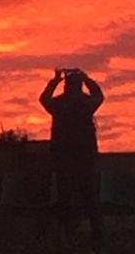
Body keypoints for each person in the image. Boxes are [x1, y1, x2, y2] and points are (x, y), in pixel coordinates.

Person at [39, 67, 104, 250]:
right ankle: (97, 234)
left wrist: (55, 80)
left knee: (65, 199)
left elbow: (44, 99)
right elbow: (99, 95)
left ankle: (64, 235)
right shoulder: (86, 104)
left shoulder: (59, 105)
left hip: (63, 158)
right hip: (84, 158)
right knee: (90, 198)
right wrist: (87, 78)